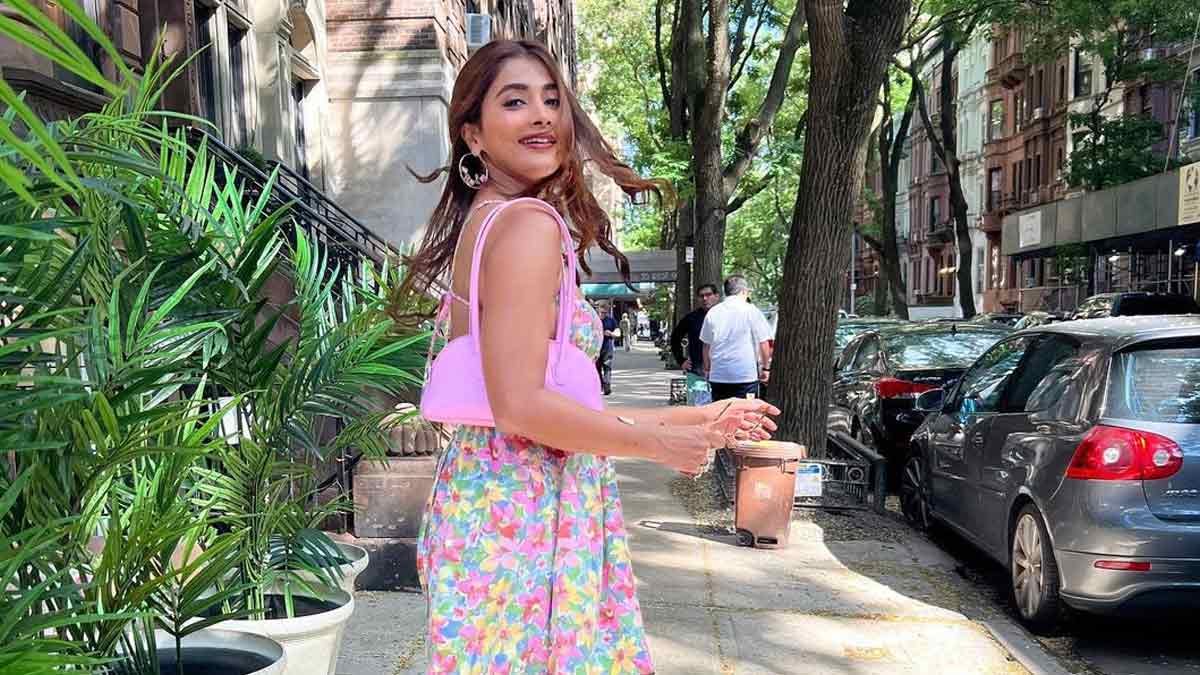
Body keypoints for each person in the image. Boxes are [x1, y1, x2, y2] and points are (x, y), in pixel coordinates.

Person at [403, 40, 778, 673]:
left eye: (552, 100)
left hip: (490, 504)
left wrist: (692, 421)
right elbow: (522, 409)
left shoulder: (486, 222)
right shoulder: (526, 225)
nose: (541, 115)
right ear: (473, 133)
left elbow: (543, 408)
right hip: (525, 516)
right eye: (515, 101)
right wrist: (656, 444)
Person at [700, 275, 774, 401]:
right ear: (743, 291)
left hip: (718, 376)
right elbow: (764, 342)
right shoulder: (751, 310)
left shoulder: (713, 312)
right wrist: (766, 368)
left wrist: (707, 369)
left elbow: (706, 345)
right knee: (746, 411)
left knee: (721, 411)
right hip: (745, 376)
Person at [670, 284, 720, 404]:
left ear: (717, 296)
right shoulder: (692, 318)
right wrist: (681, 360)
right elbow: (675, 338)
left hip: (722, 374)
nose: (705, 298)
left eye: (708, 295)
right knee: (697, 411)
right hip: (697, 375)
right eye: (701, 296)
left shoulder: (725, 316)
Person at [597, 303, 618, 394]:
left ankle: (607, 387)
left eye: (605, 313)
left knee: (607, 367)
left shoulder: (611, 321)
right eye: (601, 312)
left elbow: (618, 332)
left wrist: (611, 333)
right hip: (595, 348)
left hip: (607, 347)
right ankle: (599, 386)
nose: (602, 314)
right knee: (596, 368)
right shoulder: (594, 319)